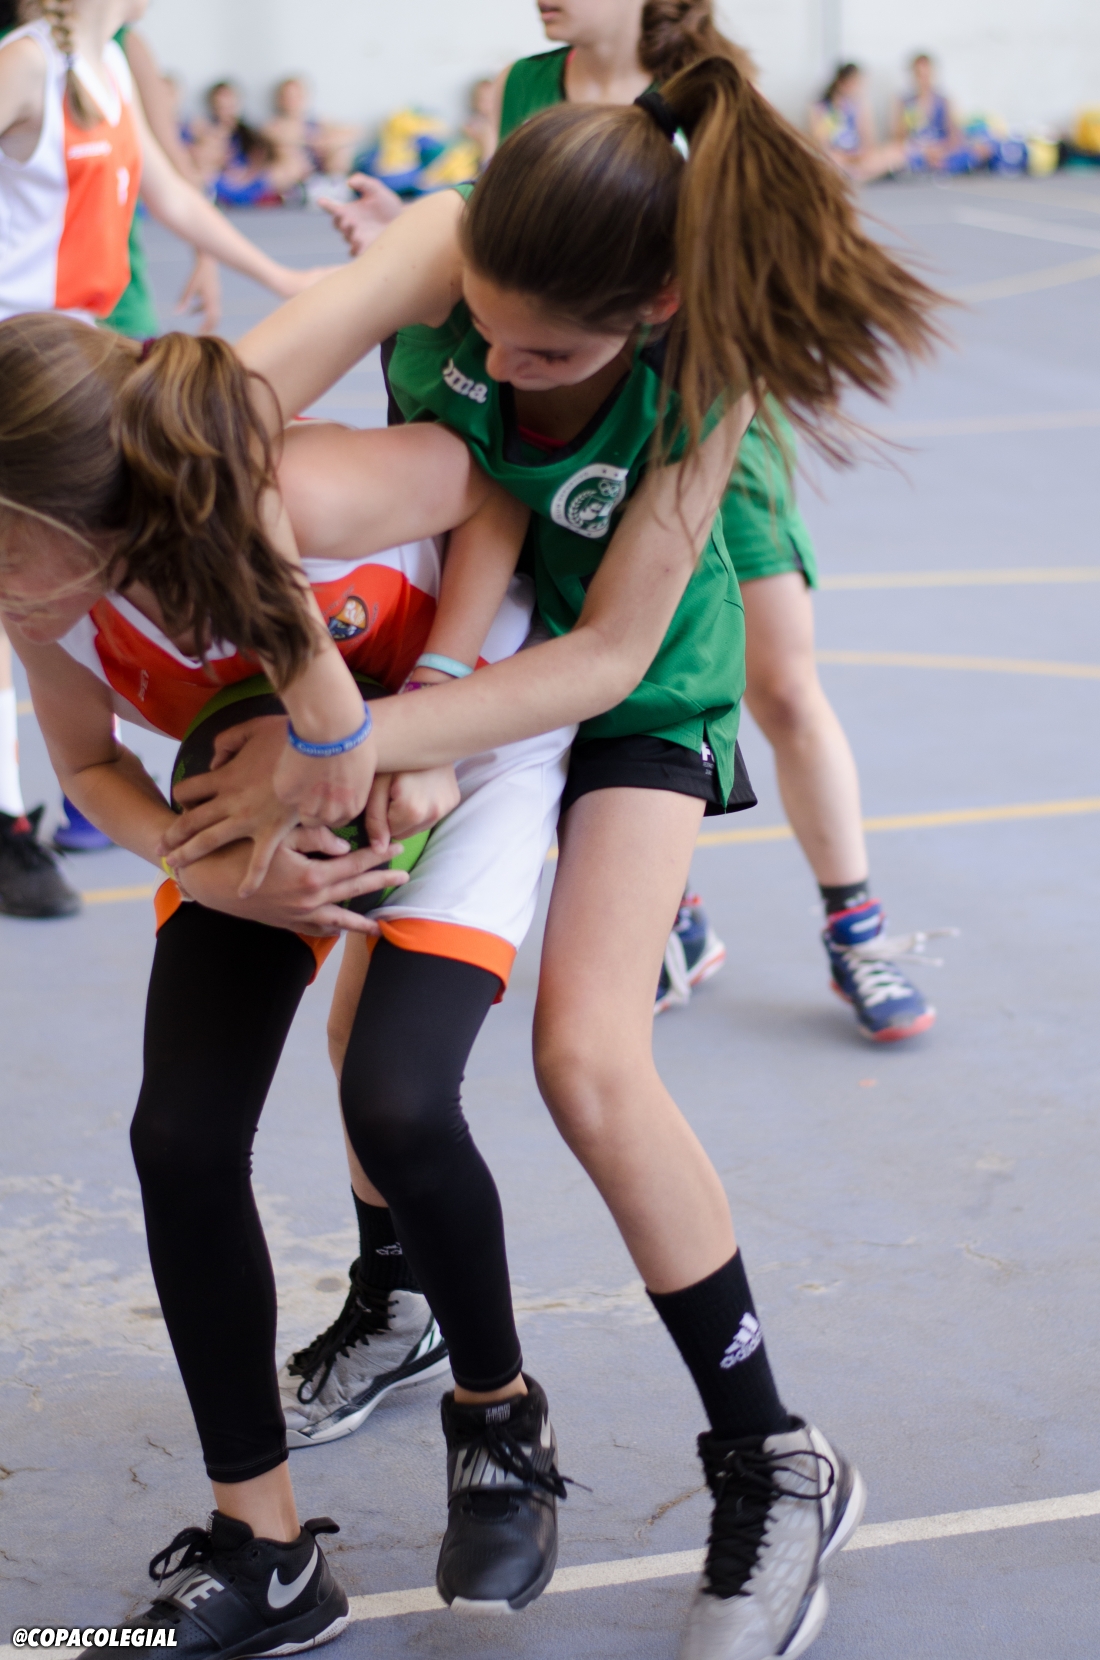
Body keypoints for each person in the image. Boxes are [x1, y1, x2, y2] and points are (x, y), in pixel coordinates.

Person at [159, 56, 941, 1658]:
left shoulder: (705, 374)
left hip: (622, 689)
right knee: (371, 1054)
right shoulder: (448, 239)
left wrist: (359, 739)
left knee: (586, 1060)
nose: (508, 374)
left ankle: (775, 1460)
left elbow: (607, 657)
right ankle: (405, 1305)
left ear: (654, 307)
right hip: (443, 652)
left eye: (551, 356)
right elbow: (218, 412)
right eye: (485, 334)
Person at [0, 311, 579, 1643]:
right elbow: (89, 767)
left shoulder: (293, 494)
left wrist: (433, 704)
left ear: (84, 515)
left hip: (459, 738)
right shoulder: (43, 602)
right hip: (274, 789)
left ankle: (498, 1419)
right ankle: (263, 1551)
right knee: (181, 1137)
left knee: (398, 1102)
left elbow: (492, 488)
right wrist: (199, 872)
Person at [326, 0, 939, 1036]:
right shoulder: (528, 85)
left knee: (779, 684)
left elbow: (745, 269)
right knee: (569, 678)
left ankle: (856, 928)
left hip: (689, 438)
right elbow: (527, 255)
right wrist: (408, 244)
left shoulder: (711, 91)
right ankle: (673, 910)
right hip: (563, 417)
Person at [0, 0, 332, 911]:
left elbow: (172, 194)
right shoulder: (25, 64)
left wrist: (277, 274)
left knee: (81, 597)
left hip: (84, 372)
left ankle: (103, 776)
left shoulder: (104, 61)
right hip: (24, 383)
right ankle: (13, 816)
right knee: (21, 598)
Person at [893, 52, 992, 174]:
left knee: (979, 150)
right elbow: (899, 138)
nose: (923, 80)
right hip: (918, 151)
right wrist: (923, 150)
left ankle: (939, 166)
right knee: (900, 157)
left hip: (942, 150)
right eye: (919, 75)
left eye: (926, 74)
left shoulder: (944, 101)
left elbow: (954, 135)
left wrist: (941, 150)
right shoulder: (905, 103)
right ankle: (933, 166)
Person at [809, 61, 907, 184]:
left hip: (858, 158)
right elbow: (819, 142)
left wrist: (860, 155)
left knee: (896, 153)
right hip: (836, 157)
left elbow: (869, 142)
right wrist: (844, 156)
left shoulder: (860, 107)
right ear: (842, 83)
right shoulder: (820, 108)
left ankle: (853, 175)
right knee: (825, 159)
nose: (858, 88)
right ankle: (856, 174)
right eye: (855, 83)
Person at [263, 75, 360, 191]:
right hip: (294, 174)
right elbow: (276, 138)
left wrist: (327, 142)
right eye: (288, 96)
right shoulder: (275, 125)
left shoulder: (317, 121)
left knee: (342, 150)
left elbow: (354, 131)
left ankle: (335, 188)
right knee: (286, 150)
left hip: (321, 170)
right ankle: (301, 191)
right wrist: (311, 141)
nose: (293, 101)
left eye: (297, 96)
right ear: (280, 99)